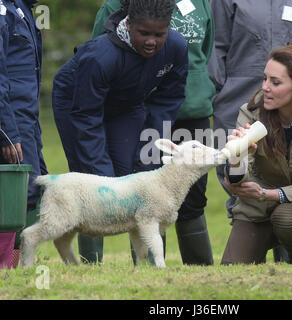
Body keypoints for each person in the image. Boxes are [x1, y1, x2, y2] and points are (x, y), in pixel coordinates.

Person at [51, 0, 189, 264]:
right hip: (78, 104)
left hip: (126, 105)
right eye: (144, 33)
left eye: (159, 34)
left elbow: (169, 99)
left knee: (136, 174)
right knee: (96, 183)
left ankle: (145, 263)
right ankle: (91, 264)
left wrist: (149, 148)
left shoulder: (176, 47)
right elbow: (87, 116)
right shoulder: (101, 55)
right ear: (129, 23)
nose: (152, 41)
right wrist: (101, 174)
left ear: (168, 29)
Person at [81, 0, 216, 266]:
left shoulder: (200, 2)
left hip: (193, 112)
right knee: (143, 194)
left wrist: (200, 86)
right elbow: (98, 56)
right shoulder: (117, 5)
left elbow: (207, 49)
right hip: (142, 114)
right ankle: (145, 267)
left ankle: (201, 270)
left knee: (194, 197)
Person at [208, 0, 292, 263]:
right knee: (233, 270)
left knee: (289, 217)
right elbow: (216, 45)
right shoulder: (247, 111)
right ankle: (254, 231)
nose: (266, 86)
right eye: (266, 80)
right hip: (238, 95)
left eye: (274, 81)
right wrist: (219, 97)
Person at [0, 0, 47, 269]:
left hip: (26, 119)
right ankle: (7, 267)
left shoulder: (23, 8)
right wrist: (7, 129)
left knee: (29, 189)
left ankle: (15, 266)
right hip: (11, 120)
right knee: (13, 193)